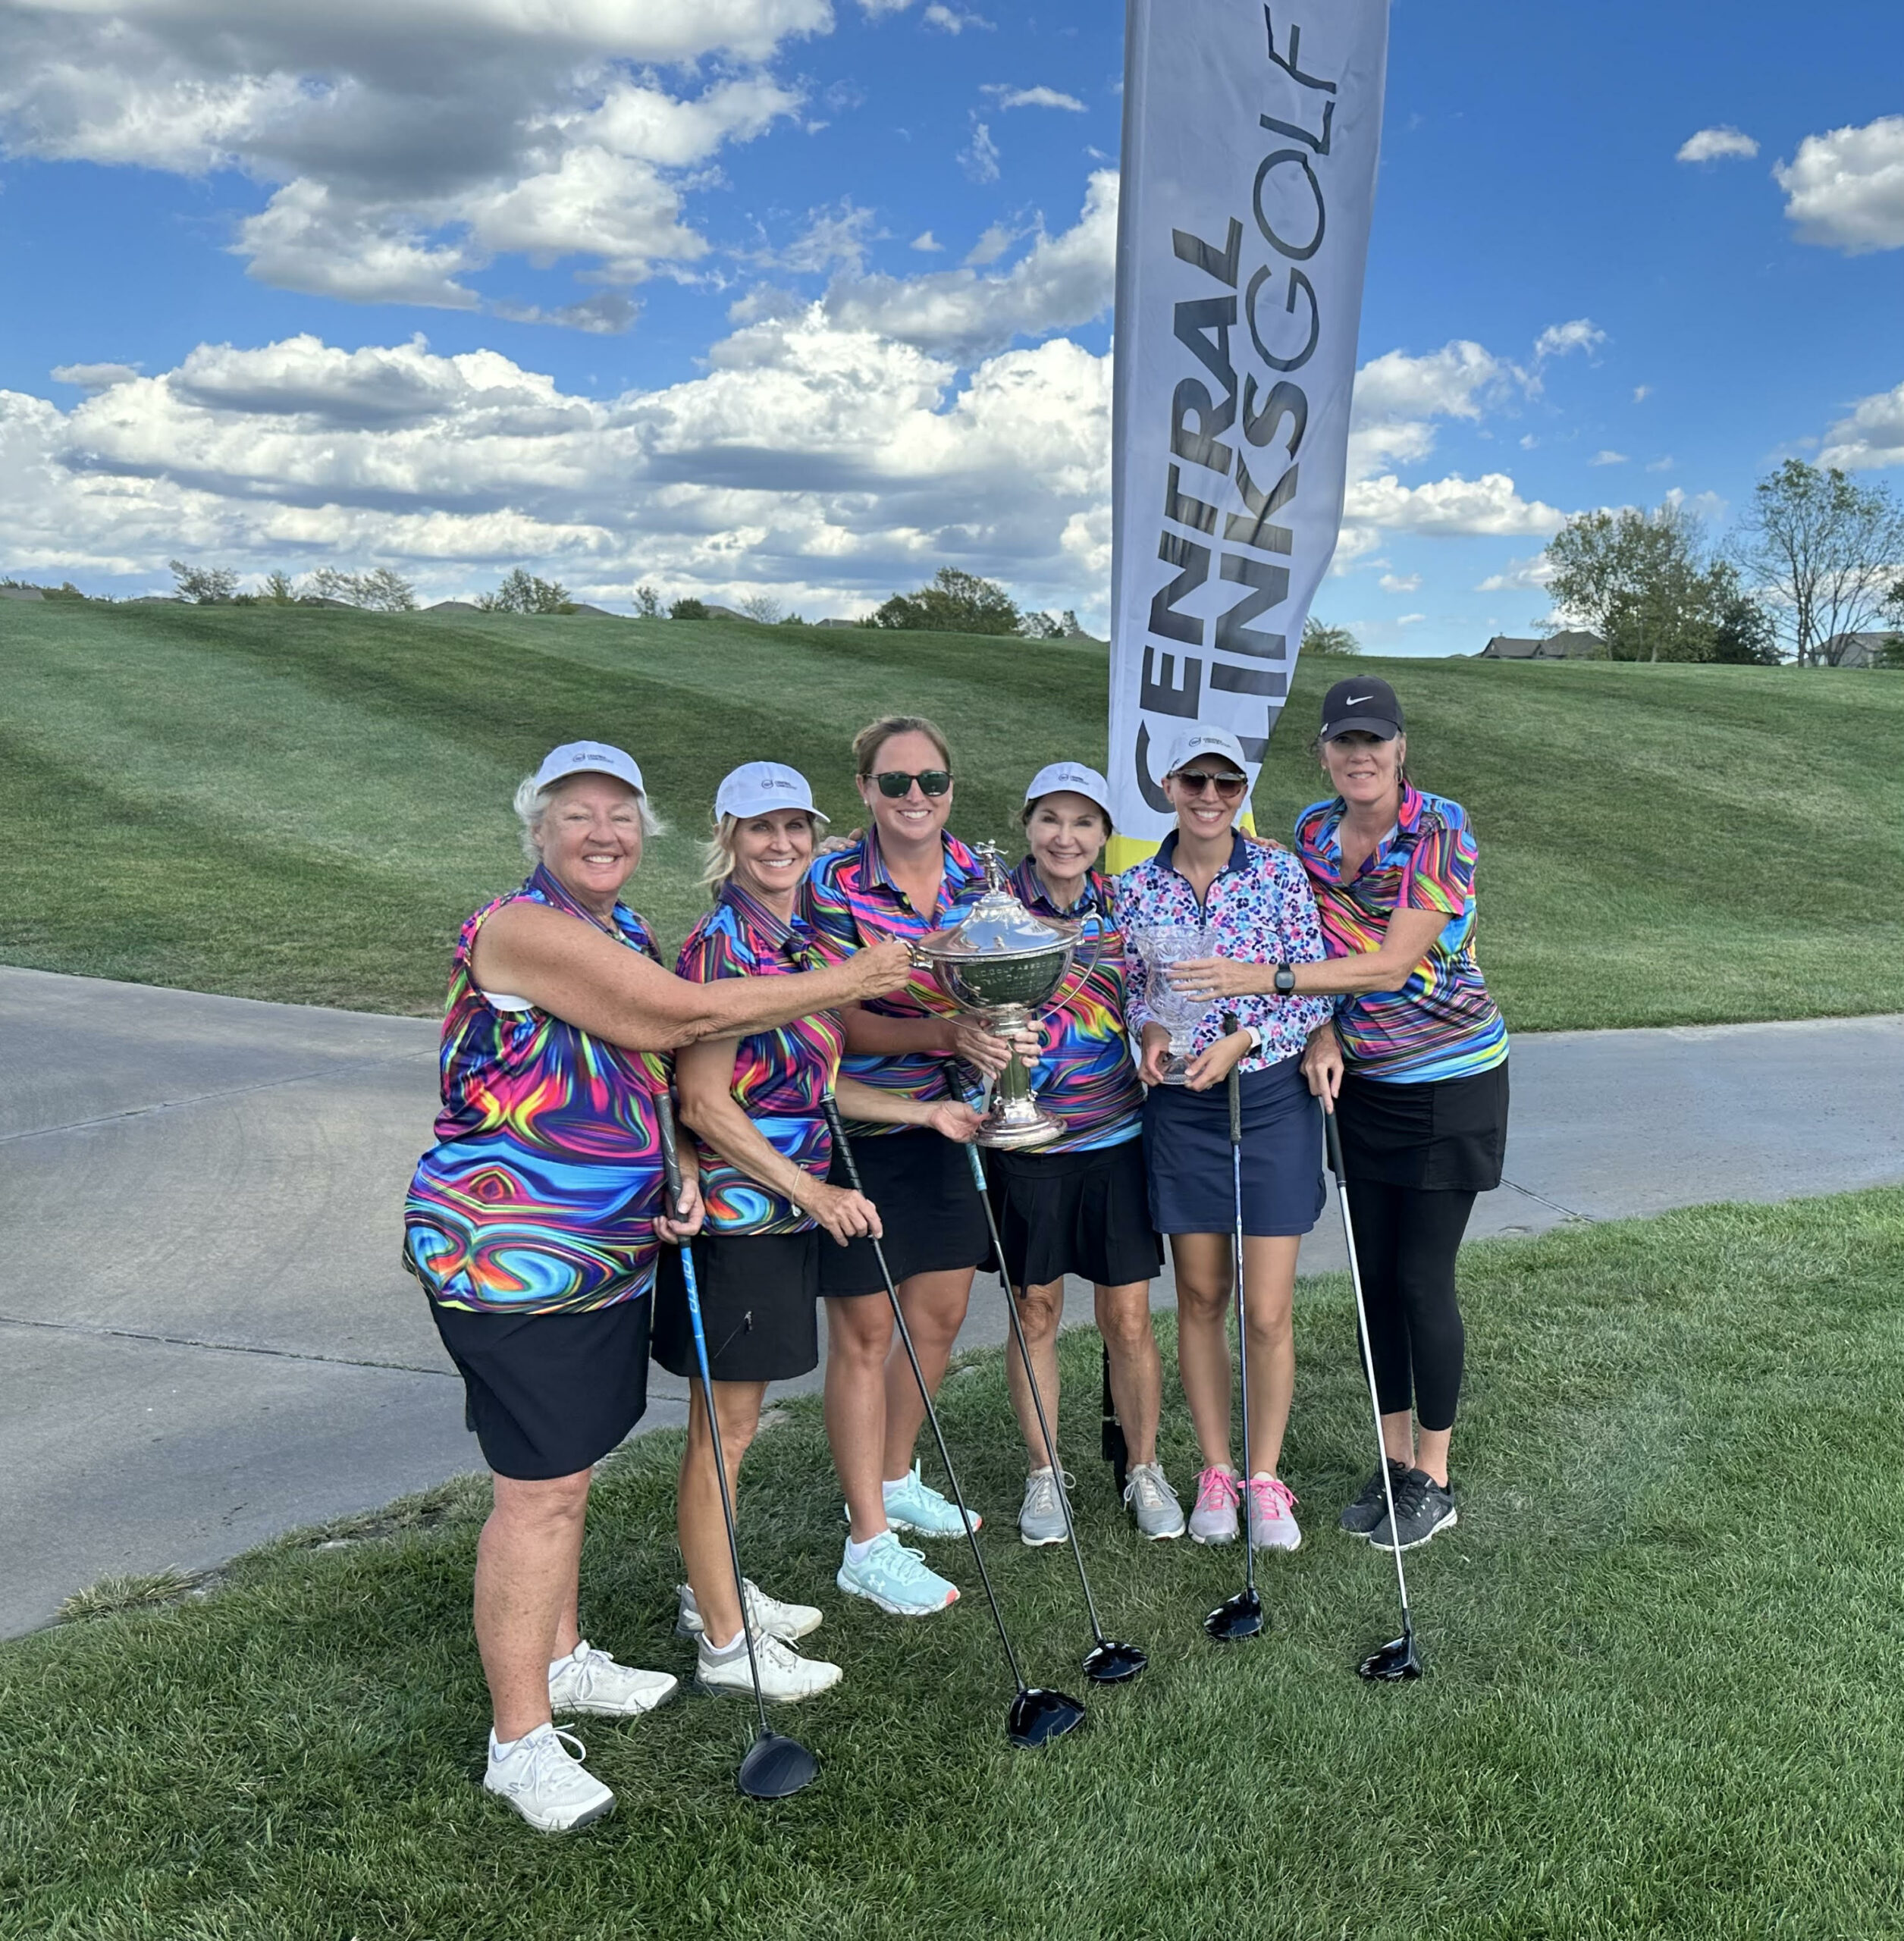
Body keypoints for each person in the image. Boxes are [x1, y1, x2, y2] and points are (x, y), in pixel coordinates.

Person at [402, 742, 909, 1833]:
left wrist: (678, 1172)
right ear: (536, 830)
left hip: (600, 1252)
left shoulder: (621, 930)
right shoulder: (519, 927)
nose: (602, 833)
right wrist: (861, 977)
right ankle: (519, 1741)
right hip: (510, 1249)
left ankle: (564, 1654)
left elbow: (643, 1078)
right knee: (538, 1493)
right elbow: (679, 1025)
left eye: (620, 815)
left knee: (569, 1473)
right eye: (576, 813)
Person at [663, 763, 981, 1698]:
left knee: (738, 1419)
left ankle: (709, 1592)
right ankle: (727, 1646)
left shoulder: (798, 938)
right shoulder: (726, 945)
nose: (782, 844)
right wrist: (814, 1190)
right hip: (738, 1215)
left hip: (777, 1209)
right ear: (728, 834)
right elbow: (705, 1102)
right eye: (761, 828)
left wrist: (922, 1115)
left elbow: (806, 1082)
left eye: (796, 827)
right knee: (725, 1427)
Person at [1172, 678, 1507, 1551]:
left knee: (1421, 1279)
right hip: (1360, 1085)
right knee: (1373, 1281)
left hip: (1448, 1079)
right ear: (1322, 751)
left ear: (1401, 749)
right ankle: (1393, 1462)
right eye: (1344, 741)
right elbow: (1307, 937)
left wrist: (1268, 986)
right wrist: (1320, 1026)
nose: (1361, 755)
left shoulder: (1439, 828)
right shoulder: (1316, 832)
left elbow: (1392, 964)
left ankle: (1434, 1475)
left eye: (1376, 740)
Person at [1118, 725, 1335, 1553]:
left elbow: (1307, 979)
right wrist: (1147, 1035)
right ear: (1169, 785)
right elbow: (1136, 987)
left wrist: (1243, 1038)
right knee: (1203, 1298)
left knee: (1268, 1307)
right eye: (1195, 781)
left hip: (1271, 1097)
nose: (1211, 798)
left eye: (1227, 784)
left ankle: (1266, 1477)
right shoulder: (1137, 886)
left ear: (1242, 792)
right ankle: (1216, 1467)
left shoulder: (1279, 872)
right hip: (1182, 1108)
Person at [805, 715, 1001, 1618]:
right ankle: (866, 1537)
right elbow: (830, 1014)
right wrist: (941, 1030)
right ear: (865, 791)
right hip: (854, 1124)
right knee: (866, 1334)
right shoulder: (832, 881)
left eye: (931, 779)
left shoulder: (979, 876)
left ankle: (895, 1473)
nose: (915, 796)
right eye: (894, 783)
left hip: (949, 1119)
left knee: (940, 1314)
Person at [957, 761, 1181, 1544]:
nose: (1066, 835)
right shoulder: (985, 913)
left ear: (1103, 836)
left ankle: (1144, 1468)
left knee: (1126, 1317)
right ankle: (1045, 1475)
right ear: (1027, 825)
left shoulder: (1124, 908)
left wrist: (1157, 1028)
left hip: (1115, 1134)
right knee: (1035, 1309)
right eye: (1051, 818)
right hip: (1027, 1140)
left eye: (1084, 822)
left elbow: (1156, 996)